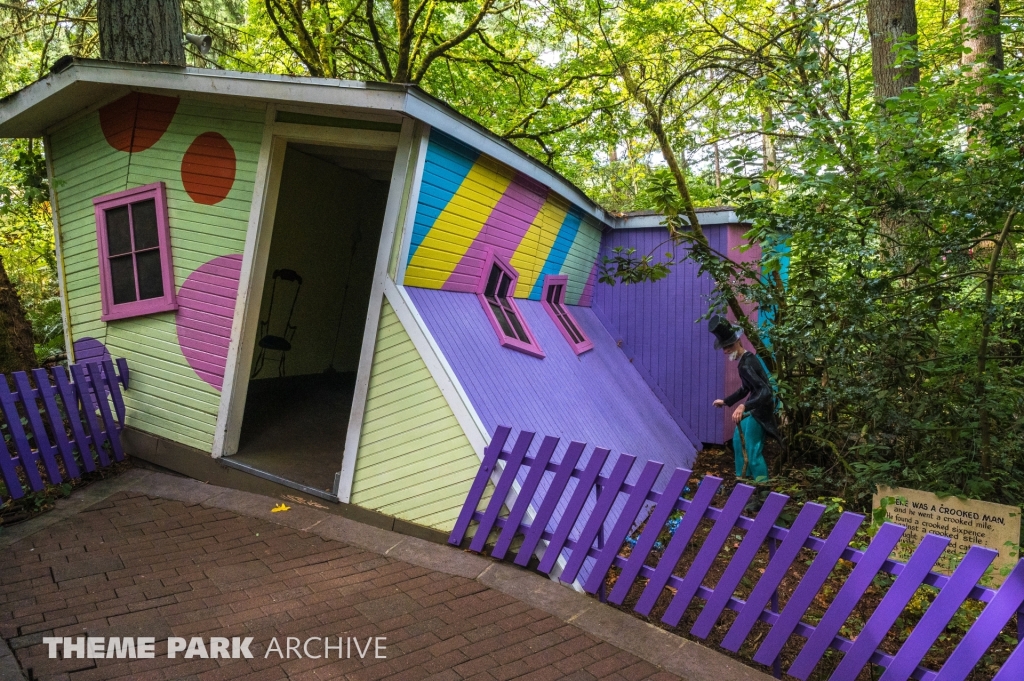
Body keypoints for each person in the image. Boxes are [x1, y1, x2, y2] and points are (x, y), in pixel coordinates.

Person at [709, 315, 782, 482]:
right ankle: (744, 482)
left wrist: (744, 407)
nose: (726, 351)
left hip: (760, 409)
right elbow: (746, 388)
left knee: (753, 451)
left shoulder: (747, 364)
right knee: (737, 441)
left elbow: (765, 391)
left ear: (737, 343)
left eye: (728, 346)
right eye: (724, 347)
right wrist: (727, 401)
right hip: (754, 407)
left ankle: (762, 491)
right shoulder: (745, 360)